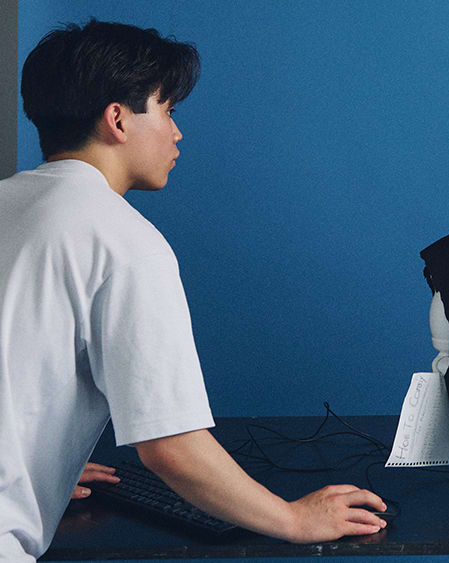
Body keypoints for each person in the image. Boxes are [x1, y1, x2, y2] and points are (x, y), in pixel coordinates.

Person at [0, 20, 385, 562]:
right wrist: (293, 518)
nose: (177, 133)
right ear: (117, 119)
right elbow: (171, 449)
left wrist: (34, 458)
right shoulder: (123, 240)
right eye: (167, 110)